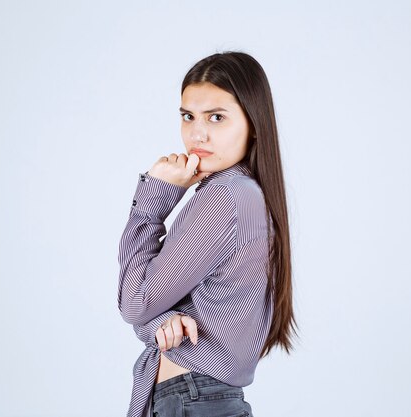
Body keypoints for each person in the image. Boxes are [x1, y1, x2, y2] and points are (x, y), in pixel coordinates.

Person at [117, 50, 298, 417]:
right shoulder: (248, 194)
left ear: (253, 122)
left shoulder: (226, 197)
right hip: (201, 399)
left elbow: (134, 300)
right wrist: (158, 324)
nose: (197, 133)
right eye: (188, 116)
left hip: (192, 399)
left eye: (216, 117)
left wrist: (154, 197)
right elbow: (149, 312)